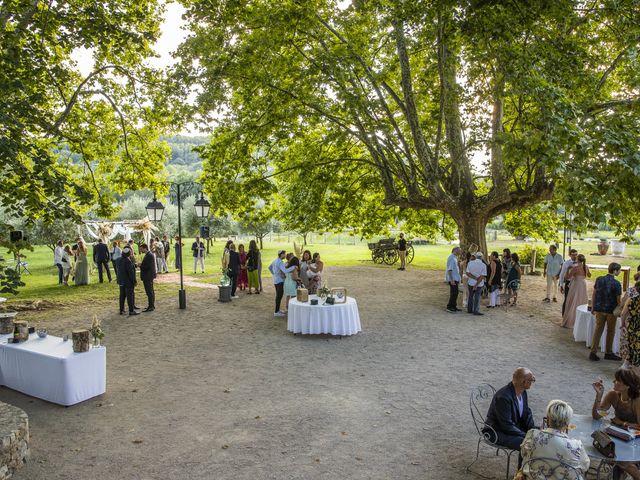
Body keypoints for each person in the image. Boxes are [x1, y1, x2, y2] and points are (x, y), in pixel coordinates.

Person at [520, 400, 589, 478]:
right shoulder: (576, 446)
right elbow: (585, 466)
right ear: (567, 423)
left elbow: (523, 454)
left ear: (548, 418)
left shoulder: (532, 434)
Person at [592, 369, 640, 480]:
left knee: (621, 460)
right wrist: (599, 396)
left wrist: (623, 423)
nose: (614, 382)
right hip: (620, 437)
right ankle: (621, 473)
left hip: (635, 440)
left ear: (627, 385)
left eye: (618, 381)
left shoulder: (637, 400)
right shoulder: (613, 395)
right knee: (607, 450)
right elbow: (596, 416)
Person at [483, 367, 536, 450]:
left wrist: (533, 430)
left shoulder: (523, 392)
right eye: (531, 380)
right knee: (527, 444)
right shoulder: (503, 397)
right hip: (497, 432)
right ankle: (523, 463)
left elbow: (526, 413)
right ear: (523, 382)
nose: (532, 382)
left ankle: (525, 463)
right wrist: (526, 435)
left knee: (537, 438)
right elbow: (506, 426)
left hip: (513, 428)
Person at [590, 262, 623, 361]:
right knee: (610, 331)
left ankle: (593, 352)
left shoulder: (599, 279)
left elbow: (594, 294)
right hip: (611, 311)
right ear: (615, 271)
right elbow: (618, 300)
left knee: (598, 330)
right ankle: (608, 352)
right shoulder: (616, 283)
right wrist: (620, 310)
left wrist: (593, 306)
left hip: (599, 309)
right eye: (619, 270)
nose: (620, 272)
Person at [561, 254, 590, 329]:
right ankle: (581, 321)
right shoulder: (586, 267)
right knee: (581, 300)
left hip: (576, 285)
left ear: (577, 259)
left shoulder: (575, 268)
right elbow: (589, 275)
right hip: (583, 284)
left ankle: (571, 320)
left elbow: (567, 277)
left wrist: (567, 270)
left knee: (573, 301)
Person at [268, 250, 296, 317]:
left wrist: (274, 274)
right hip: (280, 281)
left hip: (276, 280)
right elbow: (285, 270)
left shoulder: (275, 260)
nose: (285, 255)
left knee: (279, 296)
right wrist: (293, 267)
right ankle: (276, 312)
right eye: (284, 254)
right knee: (279, 296)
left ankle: (278, 310)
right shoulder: (280, 262)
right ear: (281, 254)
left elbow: (269, 267)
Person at [622, 279, 640, 373]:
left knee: (632, 348)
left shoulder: (631, 300)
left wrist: (622, 324)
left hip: (633, 327)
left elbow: (623, 314)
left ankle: (630, 369)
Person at [116, 247, 138, 316]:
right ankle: (131, 311)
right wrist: (134, 281)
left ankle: (121, 310)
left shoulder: (118, 259)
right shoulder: (128, 261)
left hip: (121, 280)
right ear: (128, 254)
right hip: (128, 281)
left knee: (122, 296)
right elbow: (130, 273)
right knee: (130, 296)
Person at [559, 249, 578, 315]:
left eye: (576, 255)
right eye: (573, 255)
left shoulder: (580, 263)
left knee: (575, 299)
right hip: (568, 283)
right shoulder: (566, 263)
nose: (575, 256)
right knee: (567, 298)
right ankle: (564, 315)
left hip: (577, 284)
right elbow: (561, 274)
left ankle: (573, 315)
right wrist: (561, 285)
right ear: (570, 255)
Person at [139, 243, 156, 312]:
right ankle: (151, 305)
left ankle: (151, 306)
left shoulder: (149, 255)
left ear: (144, 248)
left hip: (147, 276)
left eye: (141, 249)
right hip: (148, 276)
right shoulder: (149, 255)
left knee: (149, 292)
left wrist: (140, 265)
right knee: (150, 291)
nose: (140, 250)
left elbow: (148, 267)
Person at [445, 247, 462, 313]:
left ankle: (454, 306)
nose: (460, 252)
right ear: (455, 251)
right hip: (453, 278)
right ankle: (449, 307)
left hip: (456, 277)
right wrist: (451, 280)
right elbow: (450, 270)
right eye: (459, 251)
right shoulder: (452, 258)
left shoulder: (455, 257)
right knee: (453, 293)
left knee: (456, 293)